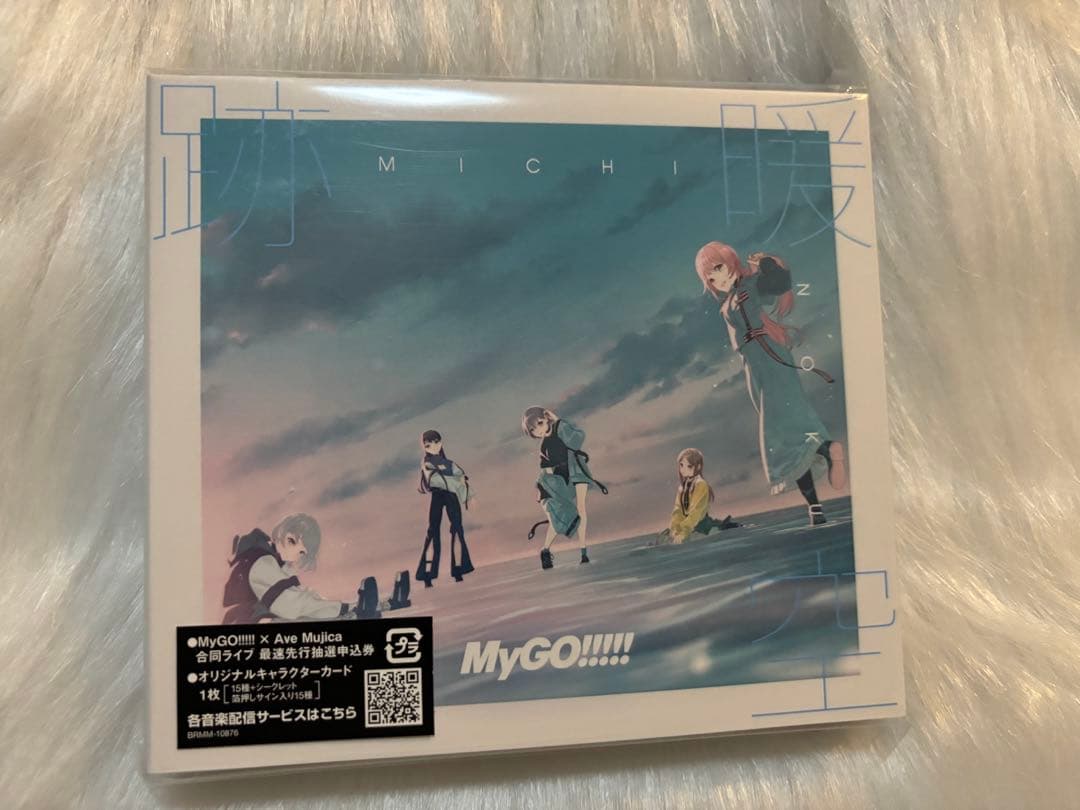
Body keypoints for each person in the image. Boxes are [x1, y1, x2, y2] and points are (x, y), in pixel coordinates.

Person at [694, 241, 847, 526]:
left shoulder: (749, 286)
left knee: (782, 435)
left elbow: (778, 283)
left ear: (731, 262)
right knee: (786, 438)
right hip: (755, 368)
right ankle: (816, 505)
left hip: (769, 360)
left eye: (719, 267)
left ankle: (827, 451)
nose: (717, 277)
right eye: (710, 277)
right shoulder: (728, 303)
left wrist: (765, 263)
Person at [222, 513, 352, 623]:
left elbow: (299, 595)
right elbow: (290, 604)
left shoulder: (276, 564)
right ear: (284, 536)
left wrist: (340, 608)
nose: (297, 557)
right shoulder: (262, 561)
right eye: (292, 542)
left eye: (302, 553)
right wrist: (342, 609)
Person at [522, 407, 608, 569]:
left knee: (581, 508)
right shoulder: (543, 446)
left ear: (546, 418)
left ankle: (583, 552)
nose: (538, 430)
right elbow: (547, 470)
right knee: (559, 515)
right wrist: (553, 491)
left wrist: (557, 419)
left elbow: (577, 440)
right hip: (560, 478)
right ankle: (545, 549)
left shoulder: (561, 427)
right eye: (533, 430)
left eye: (539, 423)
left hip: (576, 470)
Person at [416, 430, 474, 587]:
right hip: (438, 496)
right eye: (428, 444)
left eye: (436, 442)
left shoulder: (449, 463)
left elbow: (461, 477)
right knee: (433, 531)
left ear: (440, 443)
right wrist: (456, 481)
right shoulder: (427, 463)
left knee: (457, 529)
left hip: (451, 497)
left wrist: (465, 491)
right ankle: (427, 574)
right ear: (425, 446)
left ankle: (459, 569)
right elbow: (436, 480)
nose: (433, 446)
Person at [662, 448, 739, 544]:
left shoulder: (701, 484)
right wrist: (675, 529)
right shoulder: (682, 488)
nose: (683, 469)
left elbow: (696, 511)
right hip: (689, 525)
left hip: (701, 525)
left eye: (689, 466)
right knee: (665, 536)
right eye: (681, 465)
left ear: (698, 467)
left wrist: (684, 532)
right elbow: (677, 511)